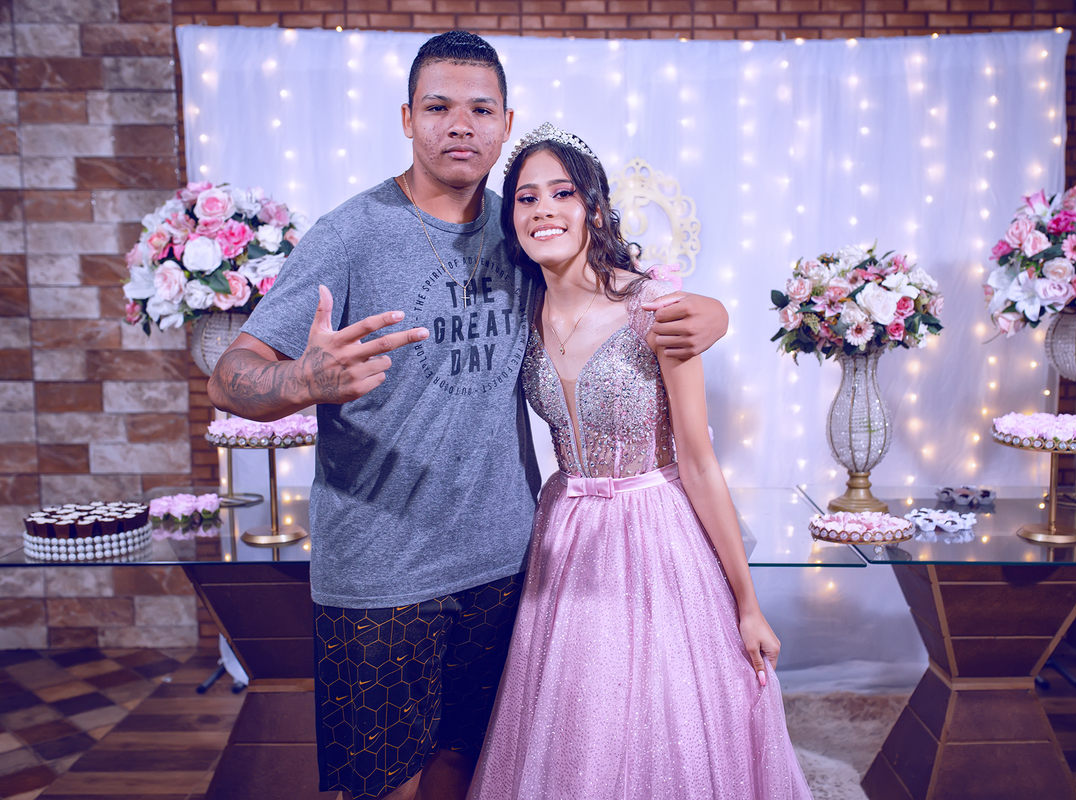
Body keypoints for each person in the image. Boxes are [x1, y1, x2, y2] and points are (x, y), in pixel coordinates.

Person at [206, 32, 729, 800]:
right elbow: (228, 379)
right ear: (407, 118)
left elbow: (615, 289)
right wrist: (300, 380)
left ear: (505, 123)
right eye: (438, 107)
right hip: (382, 571)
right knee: (383, 785)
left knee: (473, 768)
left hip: (507, 564)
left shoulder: (520, 227)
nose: (461, 125)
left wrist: (711, 312)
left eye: (481, 109)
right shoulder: (351, 234)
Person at [466, 125, 813, 799]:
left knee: (661, 720)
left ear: (594, 209)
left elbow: (700, 462)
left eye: (562, 193)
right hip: (565, 535)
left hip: (655, 532)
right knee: (574, 722)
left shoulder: (653, 308)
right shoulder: (519, 314)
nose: (543, 210)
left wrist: (748, 605)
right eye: (526, 198)